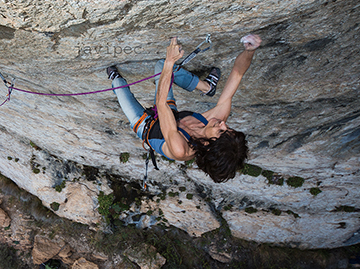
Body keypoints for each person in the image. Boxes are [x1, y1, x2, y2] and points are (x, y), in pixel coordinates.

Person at [108, 34, 262, 182]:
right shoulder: (214, 123)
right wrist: (250, 50)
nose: (223, 123)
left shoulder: (181, 149)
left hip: (145, 126)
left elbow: (161, 104)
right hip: (170, 114)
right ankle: (206, 87)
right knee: (161, 65)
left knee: (119, 85)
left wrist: (171, 60)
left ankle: (115, 79)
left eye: (221, 130)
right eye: (228, 128)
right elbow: (237, 74)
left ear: (208, 145)